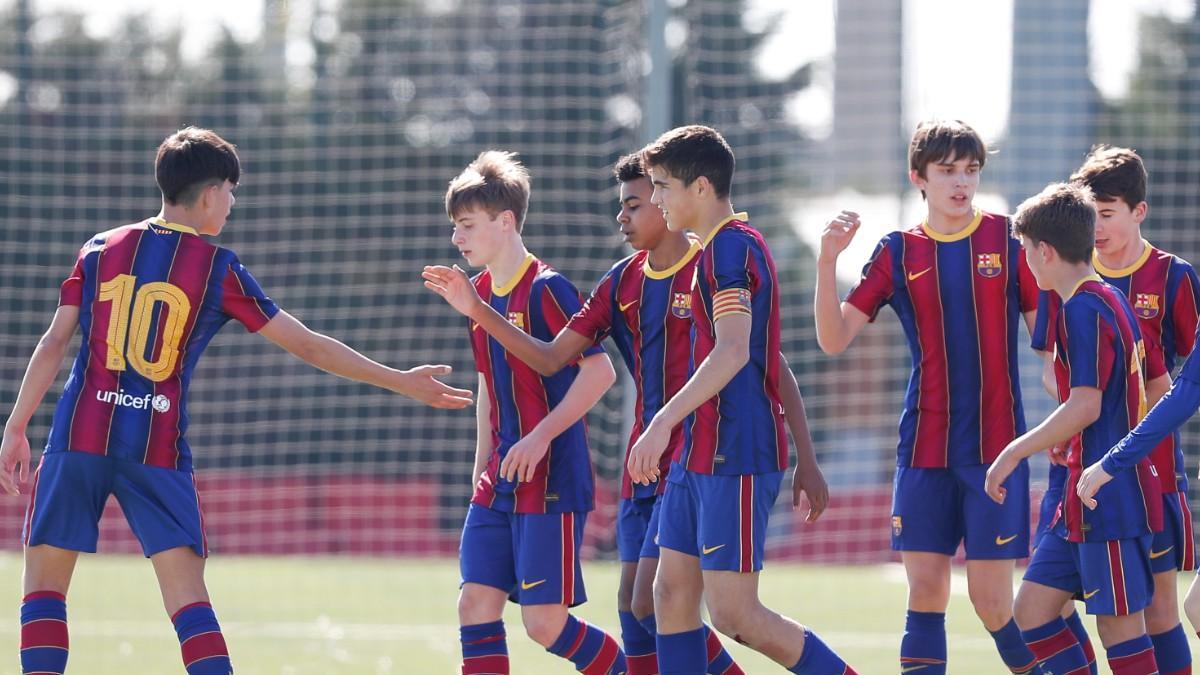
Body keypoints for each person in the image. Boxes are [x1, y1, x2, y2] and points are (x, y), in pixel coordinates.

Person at [0, 127, 473, 675]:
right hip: (155, 449)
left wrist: (16, 426)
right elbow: (305, 343)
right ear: (208, 194)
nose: (232, 202)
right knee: (189, 605)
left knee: (43, 594)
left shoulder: (100, 247)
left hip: (77, 436)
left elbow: (55, 340)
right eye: (230, 191)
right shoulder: (218, 267)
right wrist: (400, 379)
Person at [424, 150, 804, 674]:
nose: (622, 217)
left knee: (646, 610)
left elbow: (754, 357)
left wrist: (805, 453)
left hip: (686, 459)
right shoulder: (605, 282)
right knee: (628, 604)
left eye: (641, 201)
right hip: (624, 464)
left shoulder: (715, 262)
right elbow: (514, 370)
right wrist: (483, 464)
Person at [623, 125, 854, 674]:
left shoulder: (729, 248)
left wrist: (660, 423)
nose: (654, 198)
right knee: (668, 597)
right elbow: (769, 361)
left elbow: (732, 353)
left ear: (701, 188)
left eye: (662, 186)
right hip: (695, 454)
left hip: (736, 455)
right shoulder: (713, 250)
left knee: (735, 614)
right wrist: (807, 455)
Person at [813, 119, 1042, 674]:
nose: (961, 183)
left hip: (996, 452)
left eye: (971, 170)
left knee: (992, 604)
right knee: (926, 594)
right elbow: (833, 338)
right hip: (923, 451)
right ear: (919, 177)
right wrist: (826, 261)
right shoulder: (897, 251)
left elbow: (1048, 342)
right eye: (947, 171)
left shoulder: (1009, 240)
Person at [439, 150, 626, 675]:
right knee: (474, 605)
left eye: (468, 225)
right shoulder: (474, 295)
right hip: (499, 479)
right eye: (456, 227)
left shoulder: (547, 288)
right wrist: (482, 464)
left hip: (550, 479)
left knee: (544, 625)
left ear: (506, 222)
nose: (458, 238)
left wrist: (540, 436)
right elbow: (488, 383)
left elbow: (600, 373)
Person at [1030, 145, 1198, 674]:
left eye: (1106, 214)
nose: (1097, 227)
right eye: (1091, 215)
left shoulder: (1173, 278)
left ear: (1138, 212)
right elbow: (1052, 365)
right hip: (1075, 468)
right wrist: (1069, 419)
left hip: (1150, 471)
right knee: (1043, 605)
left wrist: (1119, 425)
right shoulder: (1067, 274)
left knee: (1158, 610)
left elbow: (1180, 382)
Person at [987, 181, 1162, 675]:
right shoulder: (1097, 298)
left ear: (1044, 251)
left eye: (1024, 251)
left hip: (1108, 494)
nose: (1025, 261)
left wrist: (1013, 452)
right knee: (1033, 614)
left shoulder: (1084, 308)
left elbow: (1086, 404)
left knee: (1120, 629)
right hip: (1079, 497)